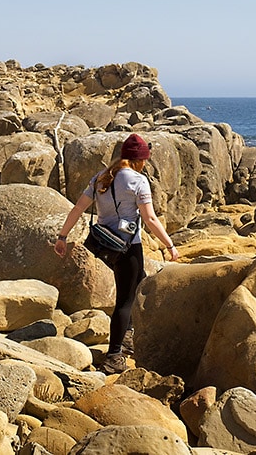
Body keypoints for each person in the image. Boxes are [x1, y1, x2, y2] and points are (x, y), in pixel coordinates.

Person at [53, 133, 180, 374]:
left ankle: (128, 335)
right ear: (139, 160)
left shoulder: (101, 177)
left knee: (139, 281)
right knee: (125, 299)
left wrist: (62, 237)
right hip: (128, 246)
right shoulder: (138, 181)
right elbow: (150, 218)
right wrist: (169, 245)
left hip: (105, 246)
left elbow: (79, 208)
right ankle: (114, 355)